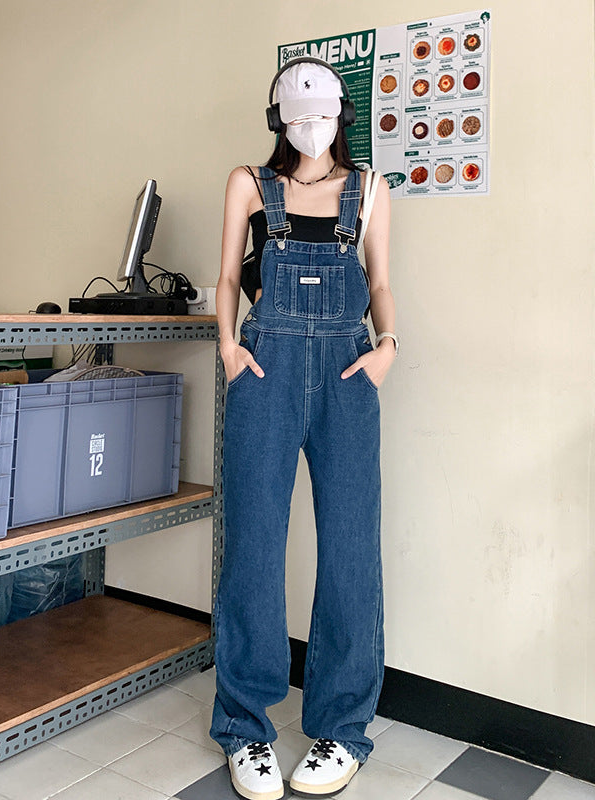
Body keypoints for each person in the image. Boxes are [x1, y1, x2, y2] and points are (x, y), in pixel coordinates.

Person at [210, 57, 397, 800]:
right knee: (253, 543)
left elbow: (379, 281)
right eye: (298, 114)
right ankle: (245, 728)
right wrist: (229, 349)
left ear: (342, 117)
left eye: (322, 114)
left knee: (351, 546)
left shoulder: (371, 188)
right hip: (266, 367)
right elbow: (229, 276)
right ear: (277, 119)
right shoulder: (249, 184)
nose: (311, 127)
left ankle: (342, 729)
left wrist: (389, 347)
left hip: (350, 373)